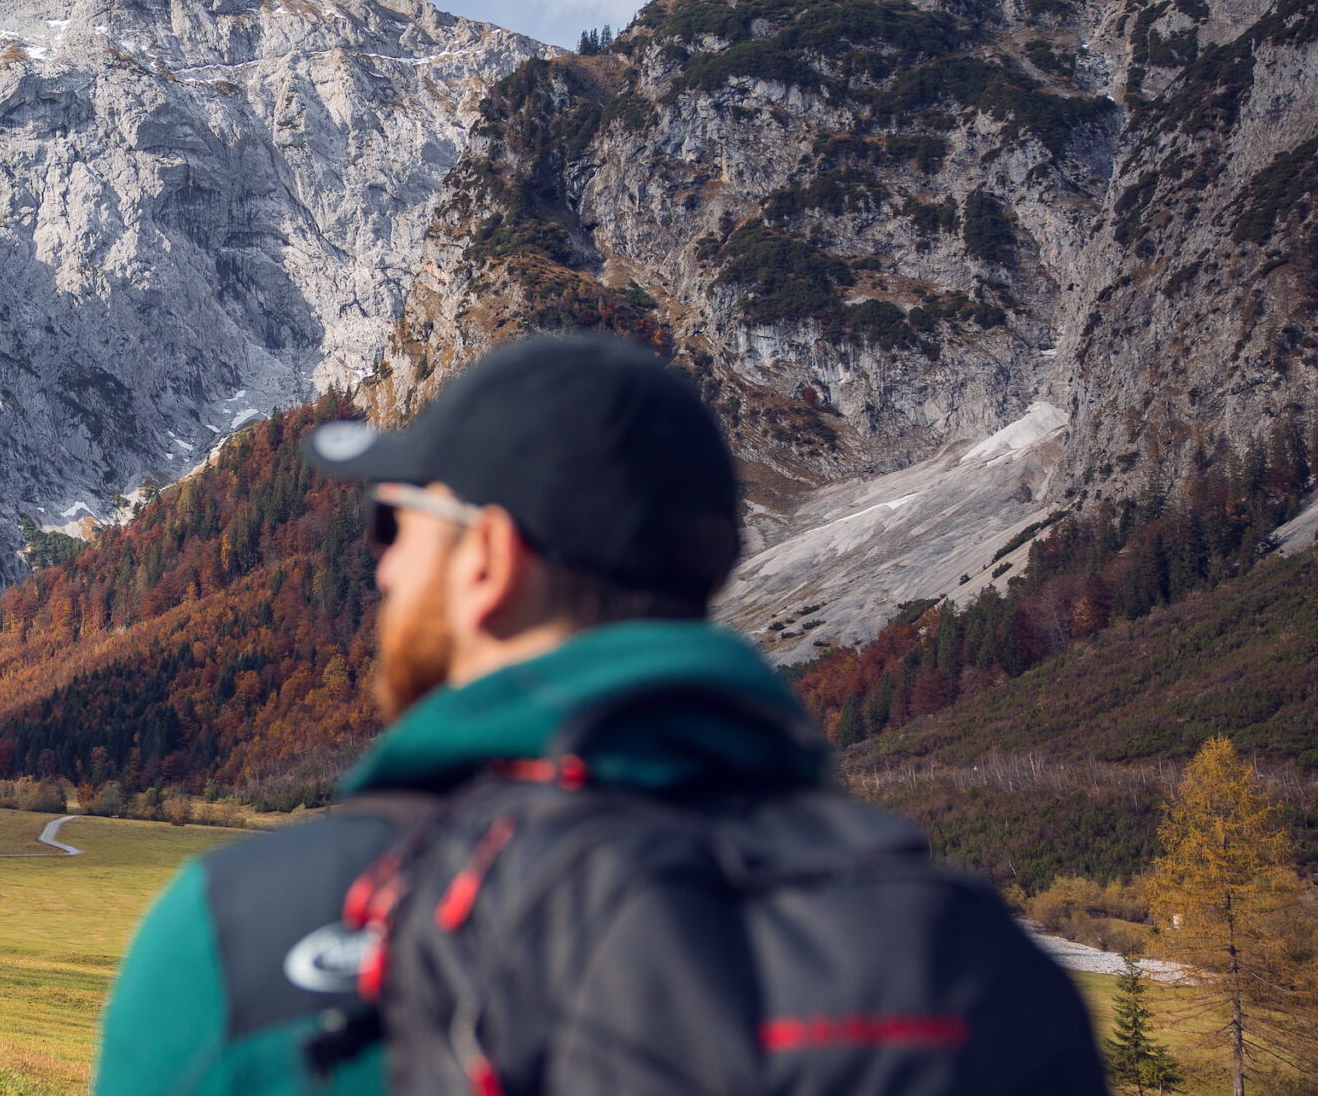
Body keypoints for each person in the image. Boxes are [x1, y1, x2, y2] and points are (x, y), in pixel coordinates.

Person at [91, 333, 1103, 1095]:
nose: (384, 562)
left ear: (485, 561)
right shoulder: (977, 963)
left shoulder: (244, 933)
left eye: (394, 522)